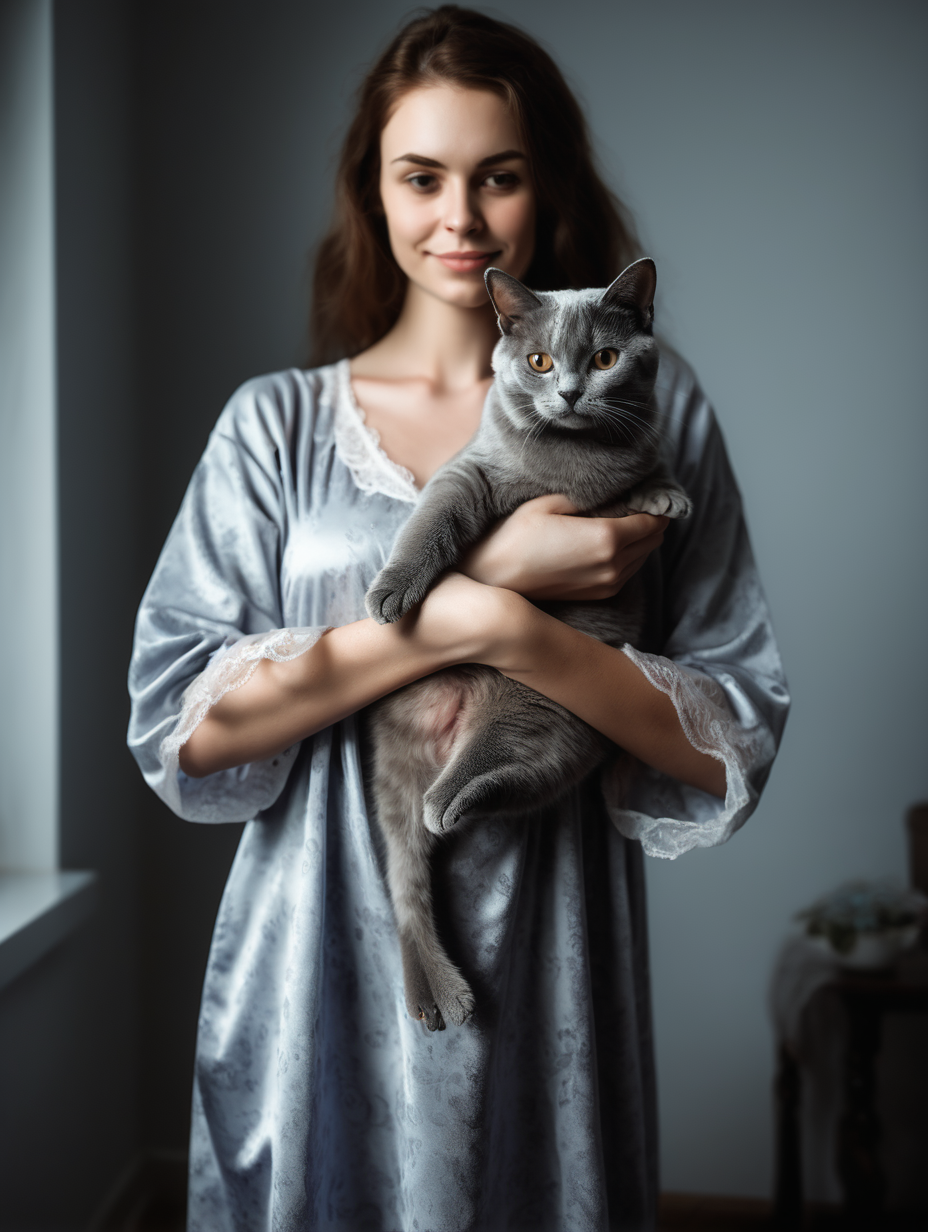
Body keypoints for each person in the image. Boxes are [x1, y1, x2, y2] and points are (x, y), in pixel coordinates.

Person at [128, 7, 788, 1230]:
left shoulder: (655, 403)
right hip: (319, 951)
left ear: (546, 189)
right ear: (371, 191)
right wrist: (480, 595)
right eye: (421, 176)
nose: (461, 218)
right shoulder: (273, 424)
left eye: (499, 176)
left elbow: (726, 734)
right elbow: (183, 722)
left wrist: (518, 637)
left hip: (553, 953)